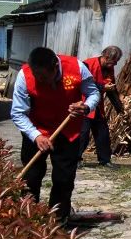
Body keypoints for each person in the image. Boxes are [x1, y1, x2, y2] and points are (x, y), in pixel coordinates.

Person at [11, 46, 100, 224]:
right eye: (37, 76)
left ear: (55, 67)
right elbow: (17, 113)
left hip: (68, 129)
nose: (40, 80)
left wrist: (85, 107)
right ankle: (29, 219)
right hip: (36, 130)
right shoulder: (24, 76)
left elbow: (93, 93)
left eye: (44, 76)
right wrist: (36, 136)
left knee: (63, 178)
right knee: (31, 177)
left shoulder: (77, 67)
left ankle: (58, 220)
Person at [79, 46, 124, 166]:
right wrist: (102, 87)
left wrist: (119, 107)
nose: (114, 65)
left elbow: (111, 89)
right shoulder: (88, 64)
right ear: (107, 57)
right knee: (83, 133)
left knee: (102, 133)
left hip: (98, 106)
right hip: (84, 104)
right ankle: (76, 159)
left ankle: (105, 160)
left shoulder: (109, 69)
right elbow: (83, 84)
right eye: (114, 61)